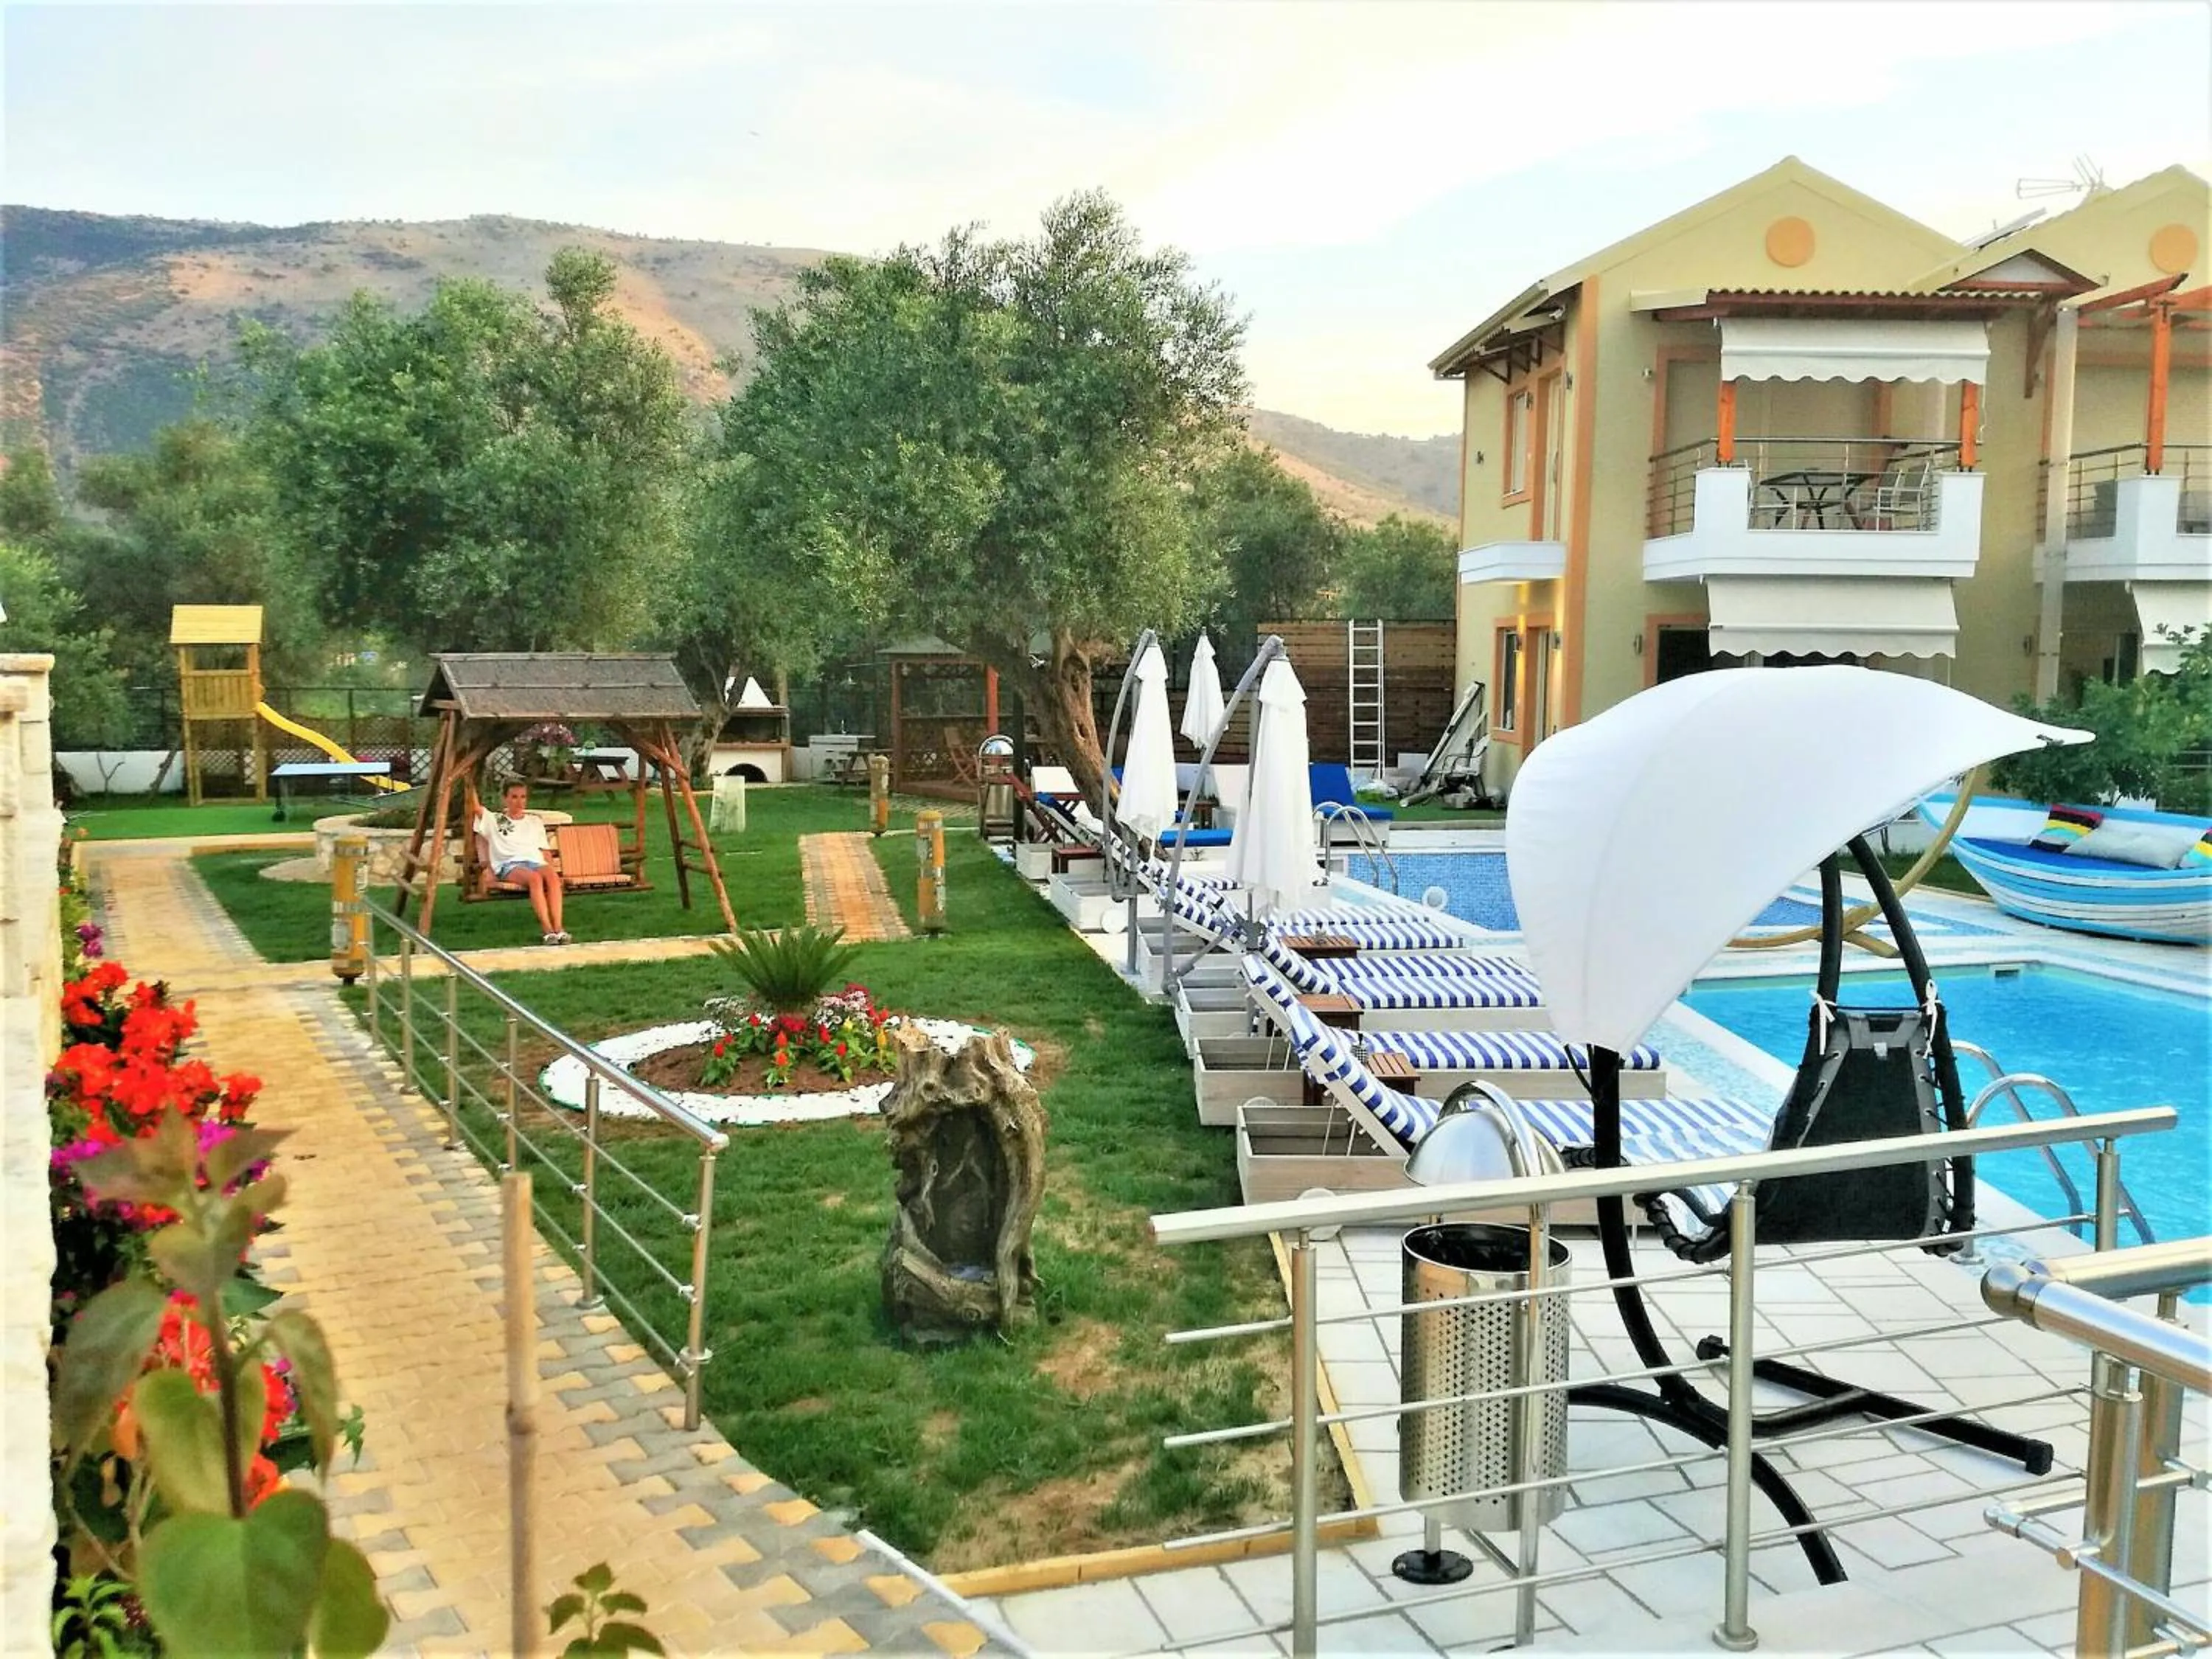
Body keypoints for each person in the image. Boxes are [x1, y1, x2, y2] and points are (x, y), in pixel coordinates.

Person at [475, 779, 568, 945]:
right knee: (534, 879)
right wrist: (469, 783)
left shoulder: (534, 821)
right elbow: (474, 807)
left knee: (553, 879)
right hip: (510, 865)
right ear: (505, 799)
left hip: (535, 861)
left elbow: (544, 850)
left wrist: (551, 868)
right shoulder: (496, 820)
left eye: (523, 797)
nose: (520, 802)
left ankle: (559, 929)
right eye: (514, 797)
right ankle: (547, 931)